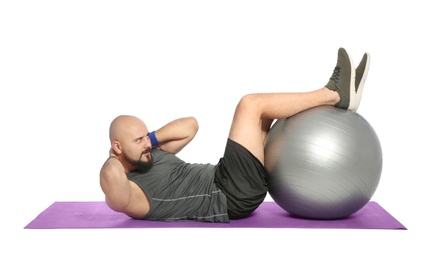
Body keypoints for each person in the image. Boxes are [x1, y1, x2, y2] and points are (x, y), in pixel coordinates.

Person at [99, 47, 371, 222]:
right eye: (138, 141)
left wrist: (149, 141)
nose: (146, 144)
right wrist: (115, 158)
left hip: (228, 179)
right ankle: (334, 94)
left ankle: (342, 93)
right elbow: (113, 181)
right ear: (117, 147)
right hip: (228, 195)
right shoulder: (133, 195)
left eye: (144, 137)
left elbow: (190, 126)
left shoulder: (150, 155)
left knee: (266, 113)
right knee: (250, 105)